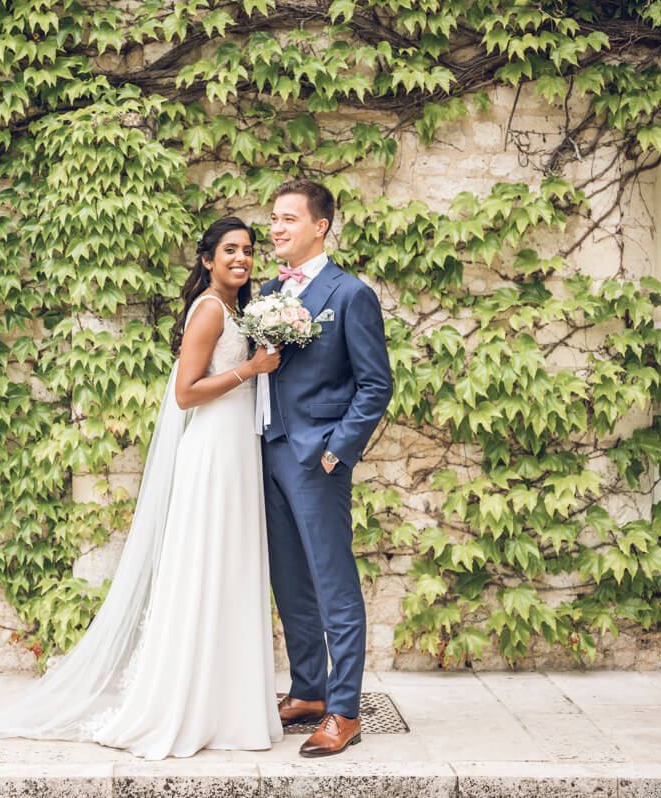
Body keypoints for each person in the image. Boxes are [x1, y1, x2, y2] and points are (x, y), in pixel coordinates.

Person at [0, 217, 283, 759]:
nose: (241, 259)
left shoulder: (240, 311)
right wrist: (253, 369)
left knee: (230, 570)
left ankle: (227, 706)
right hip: (213, 455)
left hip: (237, 451)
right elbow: (185, 394)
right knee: (206, 569)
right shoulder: (209, 311)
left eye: (247, 251)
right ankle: (187, 706)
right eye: (229, 251)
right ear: (206, 260)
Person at [257, 179, 393, 757]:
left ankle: (344, 710)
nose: (277, 228)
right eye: (273, 218)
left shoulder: (351, 293)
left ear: (322, 227)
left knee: (334, 585)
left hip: (318, 459)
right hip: (267, 450)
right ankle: (308, 690)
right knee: (288, 581)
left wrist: (338, 448)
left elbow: (375, 383)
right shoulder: (266, 291)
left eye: (289, 218)